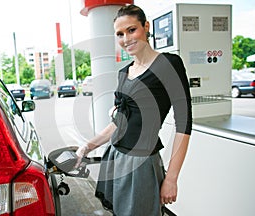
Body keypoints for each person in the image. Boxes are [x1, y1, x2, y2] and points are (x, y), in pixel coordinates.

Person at [75, 4, 192, 216]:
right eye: (120, 34)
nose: (126, 39)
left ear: (146, 27)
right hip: (115, 156)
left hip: (141, 163)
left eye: (131, 30)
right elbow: (120, 122)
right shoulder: (123, 73)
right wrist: (87, 147)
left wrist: (172, 178)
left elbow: (184, 124)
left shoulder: (168, 64)